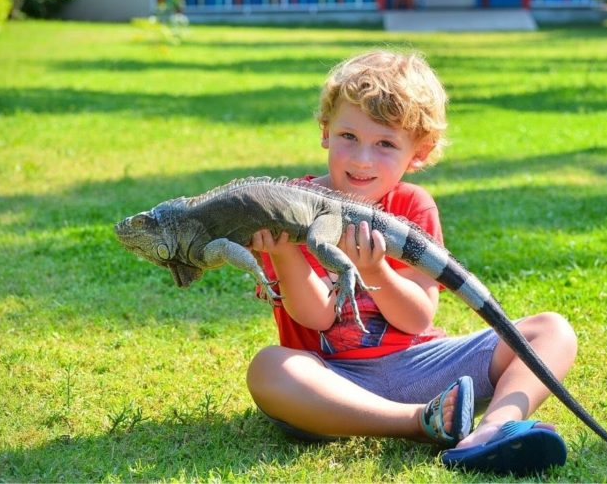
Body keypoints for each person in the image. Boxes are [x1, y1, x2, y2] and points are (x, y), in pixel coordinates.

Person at [245, 50, 577, 476]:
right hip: (332, 381)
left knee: (551, 330)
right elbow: (316, 317)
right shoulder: (287, 206)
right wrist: (286, 251)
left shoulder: (410, 206)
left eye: (385, 144)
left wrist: (375, 271)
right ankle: (419, 422)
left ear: (418, 153)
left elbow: (418, 317)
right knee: (269, 367)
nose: (362, 159)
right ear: (325, 132)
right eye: (349, 136)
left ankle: (495, 427)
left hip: (424, 365)